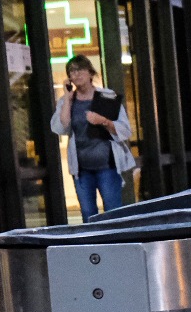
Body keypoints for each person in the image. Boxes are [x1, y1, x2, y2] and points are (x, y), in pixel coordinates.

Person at [50, 55, 132, 219]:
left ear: (90, 73)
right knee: (88, 213)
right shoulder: (68, 101)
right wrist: (67, 97)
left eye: (80, 70)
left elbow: (125, 129)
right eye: (72, 71)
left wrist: (104, 121)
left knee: (113, 211)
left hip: (107, 165)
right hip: (82, 168)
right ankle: (93, 244)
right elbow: (62, 126)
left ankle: (116, 243)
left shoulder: (106, 96)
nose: (77, 74)